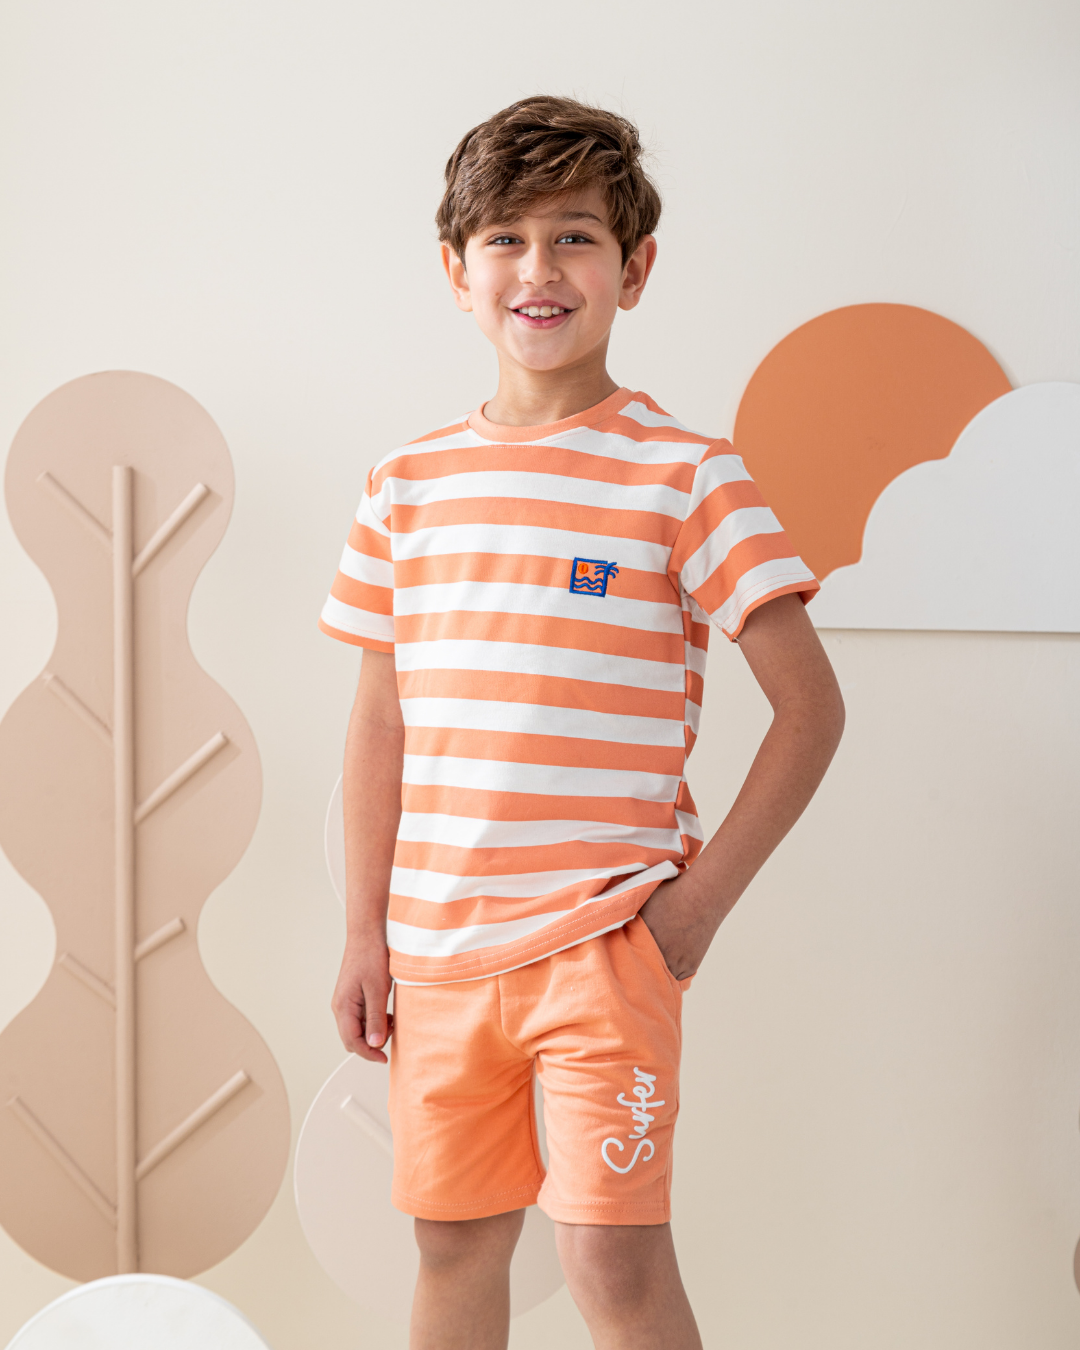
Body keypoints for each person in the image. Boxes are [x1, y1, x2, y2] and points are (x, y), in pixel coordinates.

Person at [322, 94, 845, 1350]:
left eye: (575, 237)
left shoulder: (687, 473)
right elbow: (381, 724)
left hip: (607, 948)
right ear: (457, 272)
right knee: (453, 1247)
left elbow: (811, 710)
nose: (539, 269)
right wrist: (362, 932)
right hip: (436, 955)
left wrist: (692, 913)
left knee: (611, 1260)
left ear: (634, 268)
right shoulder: (405, 486)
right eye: (504, 239)